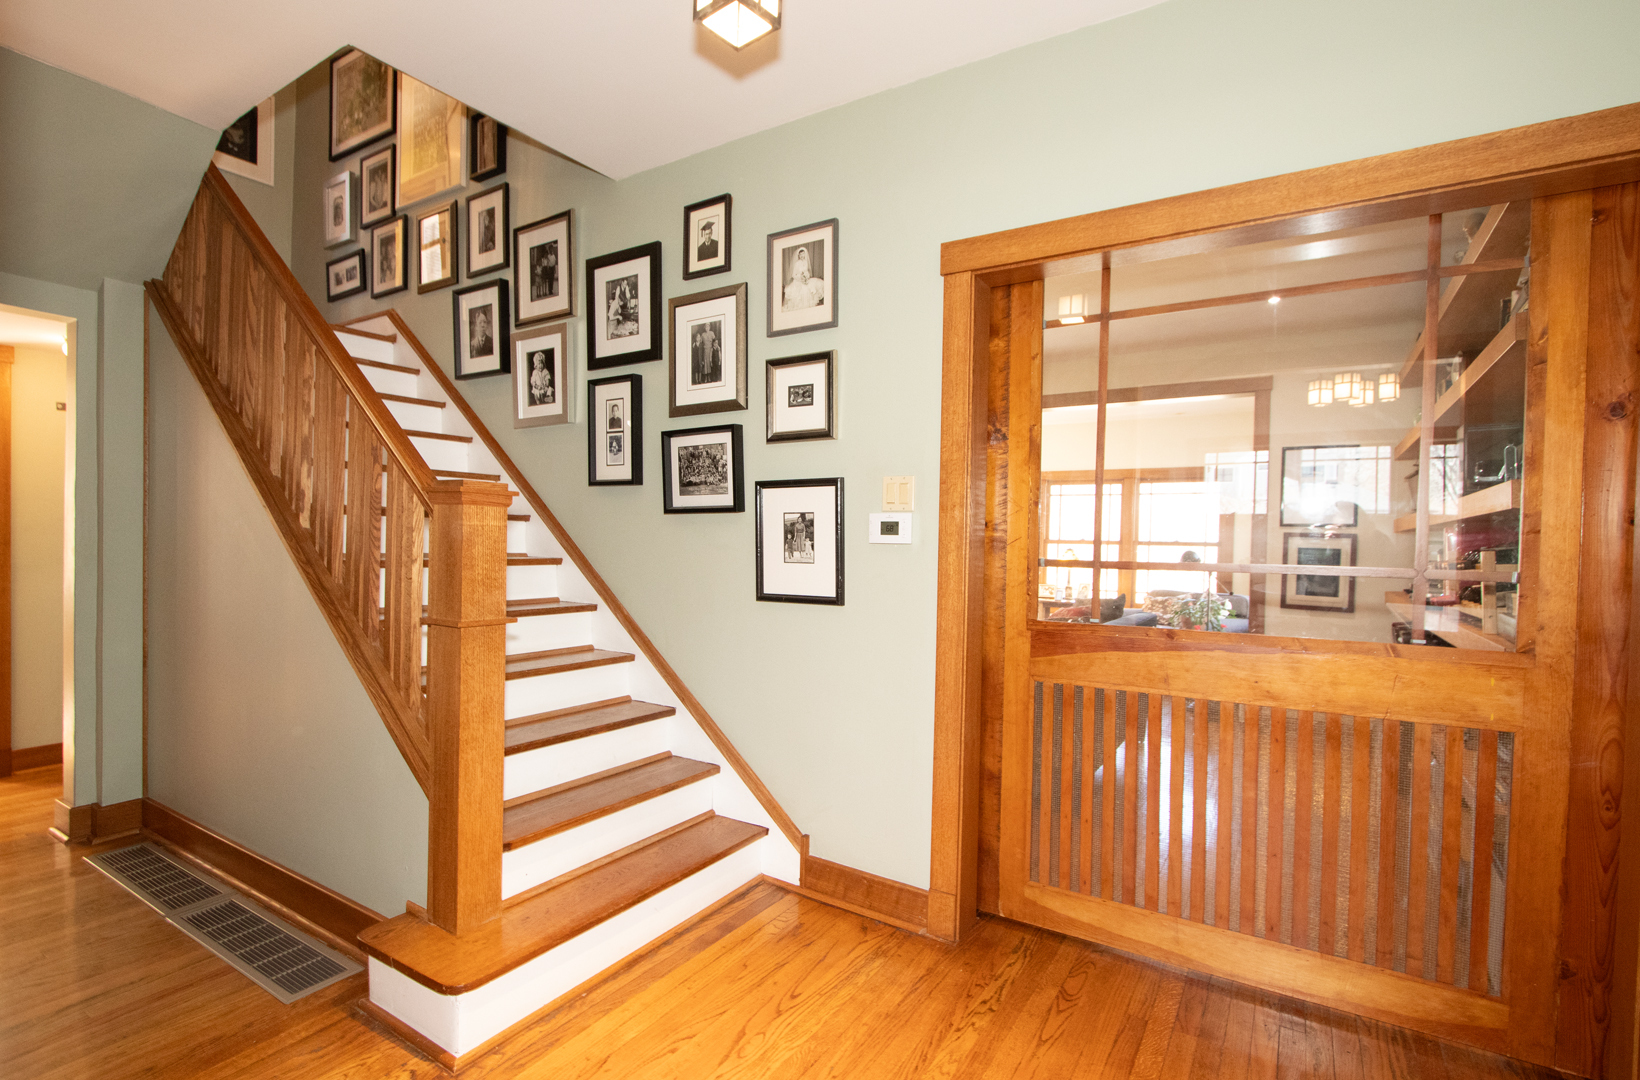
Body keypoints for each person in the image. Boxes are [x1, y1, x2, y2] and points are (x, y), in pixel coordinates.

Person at [782, 246, 825, 310]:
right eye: (800, 254)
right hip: (798, 281)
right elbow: (793, 275)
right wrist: (800, 278)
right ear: (798, 255)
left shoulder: (806, 262)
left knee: (817, 284)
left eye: (803, 254)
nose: (802, 255)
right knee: (803, 290)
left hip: (805, 280)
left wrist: (806, 276)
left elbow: (807, 272)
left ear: (805, 254)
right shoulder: (797, 263)